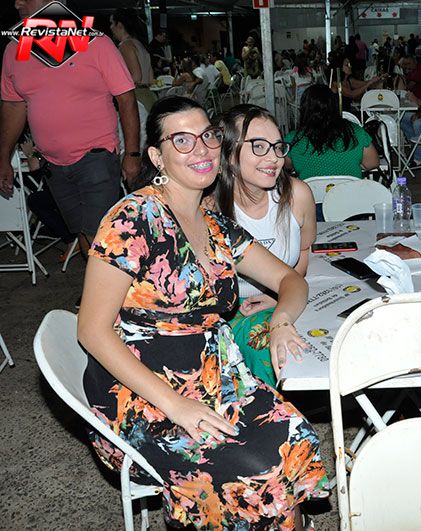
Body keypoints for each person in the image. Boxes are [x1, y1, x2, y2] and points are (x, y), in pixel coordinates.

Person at [78, 96, 328, 529]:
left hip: (216, 381)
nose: (202, 149)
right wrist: (176, 406)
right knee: (256, 473)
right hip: (143, 396)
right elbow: (92, 331)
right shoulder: (133, 219)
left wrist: (281, 319)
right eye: (182, 140)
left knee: (295, 437)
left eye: (208, 136)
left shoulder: (216, 227)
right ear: (157, 156)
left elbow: (292, 279)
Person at [0, 0, 140, 300]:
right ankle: (110, 292)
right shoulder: (15, 49)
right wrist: (3, 158)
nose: (17, 3)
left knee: (98, 233)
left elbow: (126, 98)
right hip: (52, 164)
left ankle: (109, 299)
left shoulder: (95, 43)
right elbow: (13, 106)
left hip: (97, 155)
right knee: (82, 232)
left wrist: (132, 154)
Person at [211, 104, 317, 386]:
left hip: (288, 297)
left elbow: (303, 252)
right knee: (271, 352)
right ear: (228, 153)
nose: (274, 158)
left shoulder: (297, 195)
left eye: (278, 147)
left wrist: (278, 296)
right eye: (258, 146)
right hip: (231, 310)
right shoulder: (210, 209)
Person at [285, 84, 380, 181]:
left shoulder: (293, 139)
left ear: (304, 109)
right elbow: (373, 163)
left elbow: (287, 165)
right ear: (335, 106)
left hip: (311, 190)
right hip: (350, 190)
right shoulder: (355, 132)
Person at [110, 8, 156, 111]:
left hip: (136, 98)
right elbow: (150, 78)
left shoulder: (125, 46)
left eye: (112, 23)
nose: (111, 27)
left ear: (119, 25)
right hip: (149, 96)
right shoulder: (140, 44)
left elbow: (136, 77)